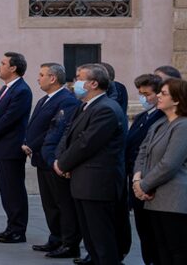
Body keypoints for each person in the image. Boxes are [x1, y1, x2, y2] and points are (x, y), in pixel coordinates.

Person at [55, 63, 126, 265]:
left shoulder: (106, 109)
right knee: (91, 238)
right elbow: (69, 135)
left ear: (93, 83)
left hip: (97, 184)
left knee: (102, 239)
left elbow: (86, 143)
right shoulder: (86, 106)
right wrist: (60, 158)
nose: (74, 82)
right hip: (83, 181)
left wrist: (62, 164)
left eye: (79, 78)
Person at [23, 62, 81, 259]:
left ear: (53, 78)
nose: (38, 78)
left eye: (42, 75)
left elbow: (57, 130)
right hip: (41, 159)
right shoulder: (44, 99)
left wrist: (35, 146)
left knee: (63, 203)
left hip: (54, 160)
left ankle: (69, 242)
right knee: (50, 204)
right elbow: (36, 126)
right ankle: (55, 237)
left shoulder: (66, 100)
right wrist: (28, 143)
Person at [132, 77, 187, 265]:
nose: (158, 96)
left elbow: (169, 164)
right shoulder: (160, 124)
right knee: (159, 250)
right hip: (153, 198)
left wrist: (143, 186)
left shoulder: (183, 126)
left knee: (176, 251)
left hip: (174, 200)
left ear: (177, 99)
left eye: (163, 93)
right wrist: (137, 179)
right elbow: (142, 152)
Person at [0, 51, 32, 244]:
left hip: (11, 146)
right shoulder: (6, 88)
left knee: (14, 190)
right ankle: (11, 226)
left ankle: (18, 230)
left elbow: (11, 116)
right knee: (6, 190)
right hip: (1, 146)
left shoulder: (22, 90)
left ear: (13, 68)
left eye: (3, 63)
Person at [127, 74, 167, 265]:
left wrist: (143, 182)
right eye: (140, 94)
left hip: (151, 184)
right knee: (143, 230)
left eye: (147, 94)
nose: (143, 98)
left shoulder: (163, 118)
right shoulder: (142, 116)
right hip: (136, 181)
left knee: (156, 234)